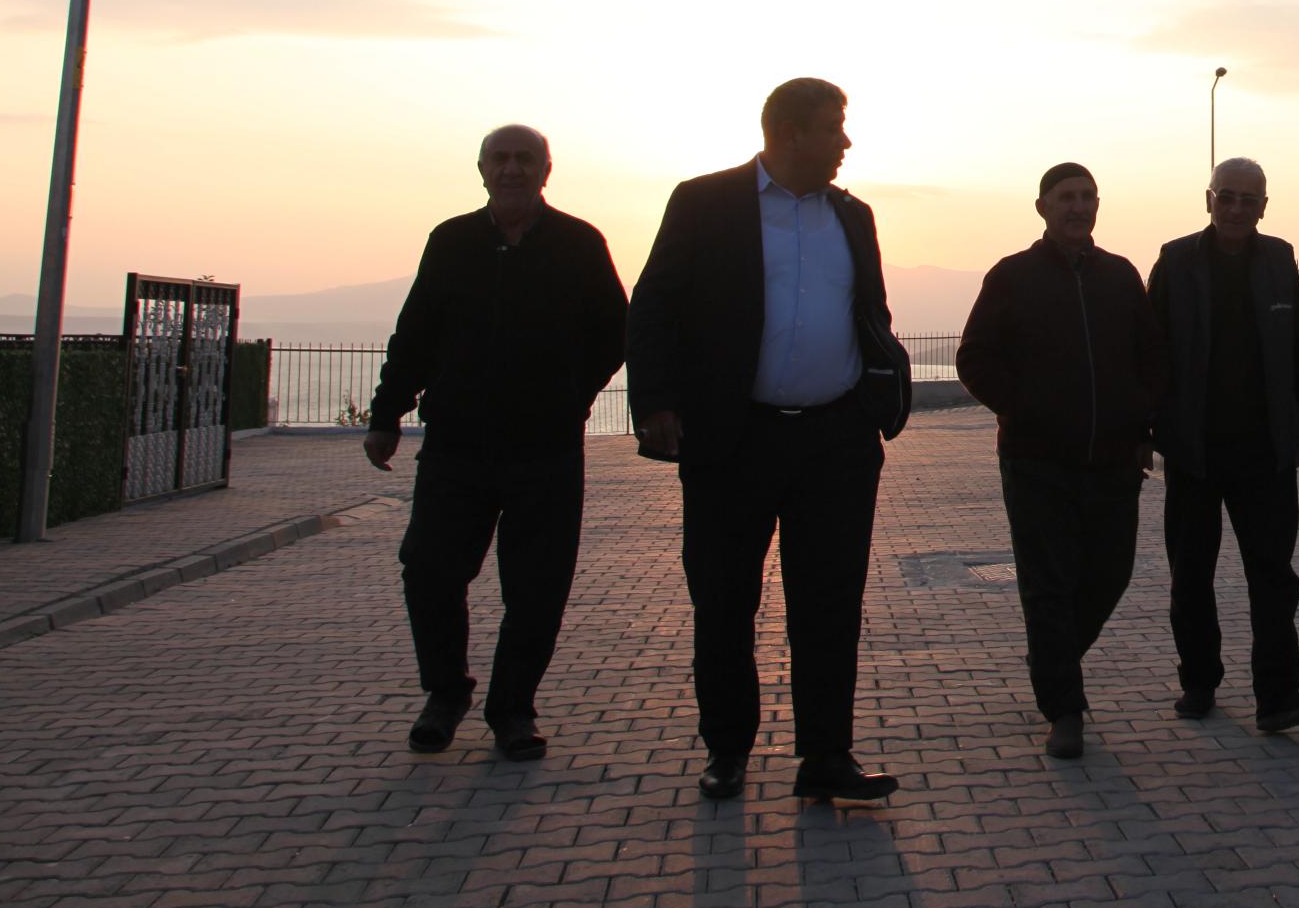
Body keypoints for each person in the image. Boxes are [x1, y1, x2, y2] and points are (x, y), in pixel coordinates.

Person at [628, 78, 909, 805]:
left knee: (831, 603)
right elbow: (654, 304)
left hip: (835, 441)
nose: (846, 143)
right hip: (734, 440)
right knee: (724, 601)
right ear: (789, 133)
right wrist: (656, 403)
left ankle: (826, 756)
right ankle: (727, 750)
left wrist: (876, 400)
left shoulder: (853, 216)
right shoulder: (705, 202)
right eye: (834, 128)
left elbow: (870, 313)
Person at [366, 124, 627, 762]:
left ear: (545, 169)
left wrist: (572, 395)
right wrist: (386, 414)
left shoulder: (579, 242)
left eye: (524, 159)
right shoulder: (451, 241)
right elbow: (415, 332)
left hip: (546, 451)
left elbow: (615, 332)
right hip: (455, 447)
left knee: (537, 589)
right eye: (500, 159)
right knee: (429, 571)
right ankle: (445, 693)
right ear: (481, 169)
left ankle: (513, 710)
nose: (511, 169)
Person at [957, 163, 1169, 761]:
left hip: (1113, 461)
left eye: (1087, 197)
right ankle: (1065, 709)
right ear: (1042, 207)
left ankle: (1051, 660)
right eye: (1066, 197)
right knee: (1048, 584)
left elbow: (1151, 357)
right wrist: (1024, 409)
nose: (1078, 207)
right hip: (1036, 462)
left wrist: (1142, 422)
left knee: (1110, 574)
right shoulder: (1011, 276)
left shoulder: (1120, 276)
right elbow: (974, 358)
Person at [1148, 158, 1299, 735]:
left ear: (1263, 207)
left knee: (1273, 576)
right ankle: (1199, 683)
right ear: (1208, 199)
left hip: (1265, 452)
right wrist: (1152, 432)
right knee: (1191, 575)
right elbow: (1150, 352)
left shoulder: (1279, 259)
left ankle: (1277, 697)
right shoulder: (1175, 261)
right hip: (1195, 451)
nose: (1235, 208)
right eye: (1225, 196)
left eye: (1247, 200)